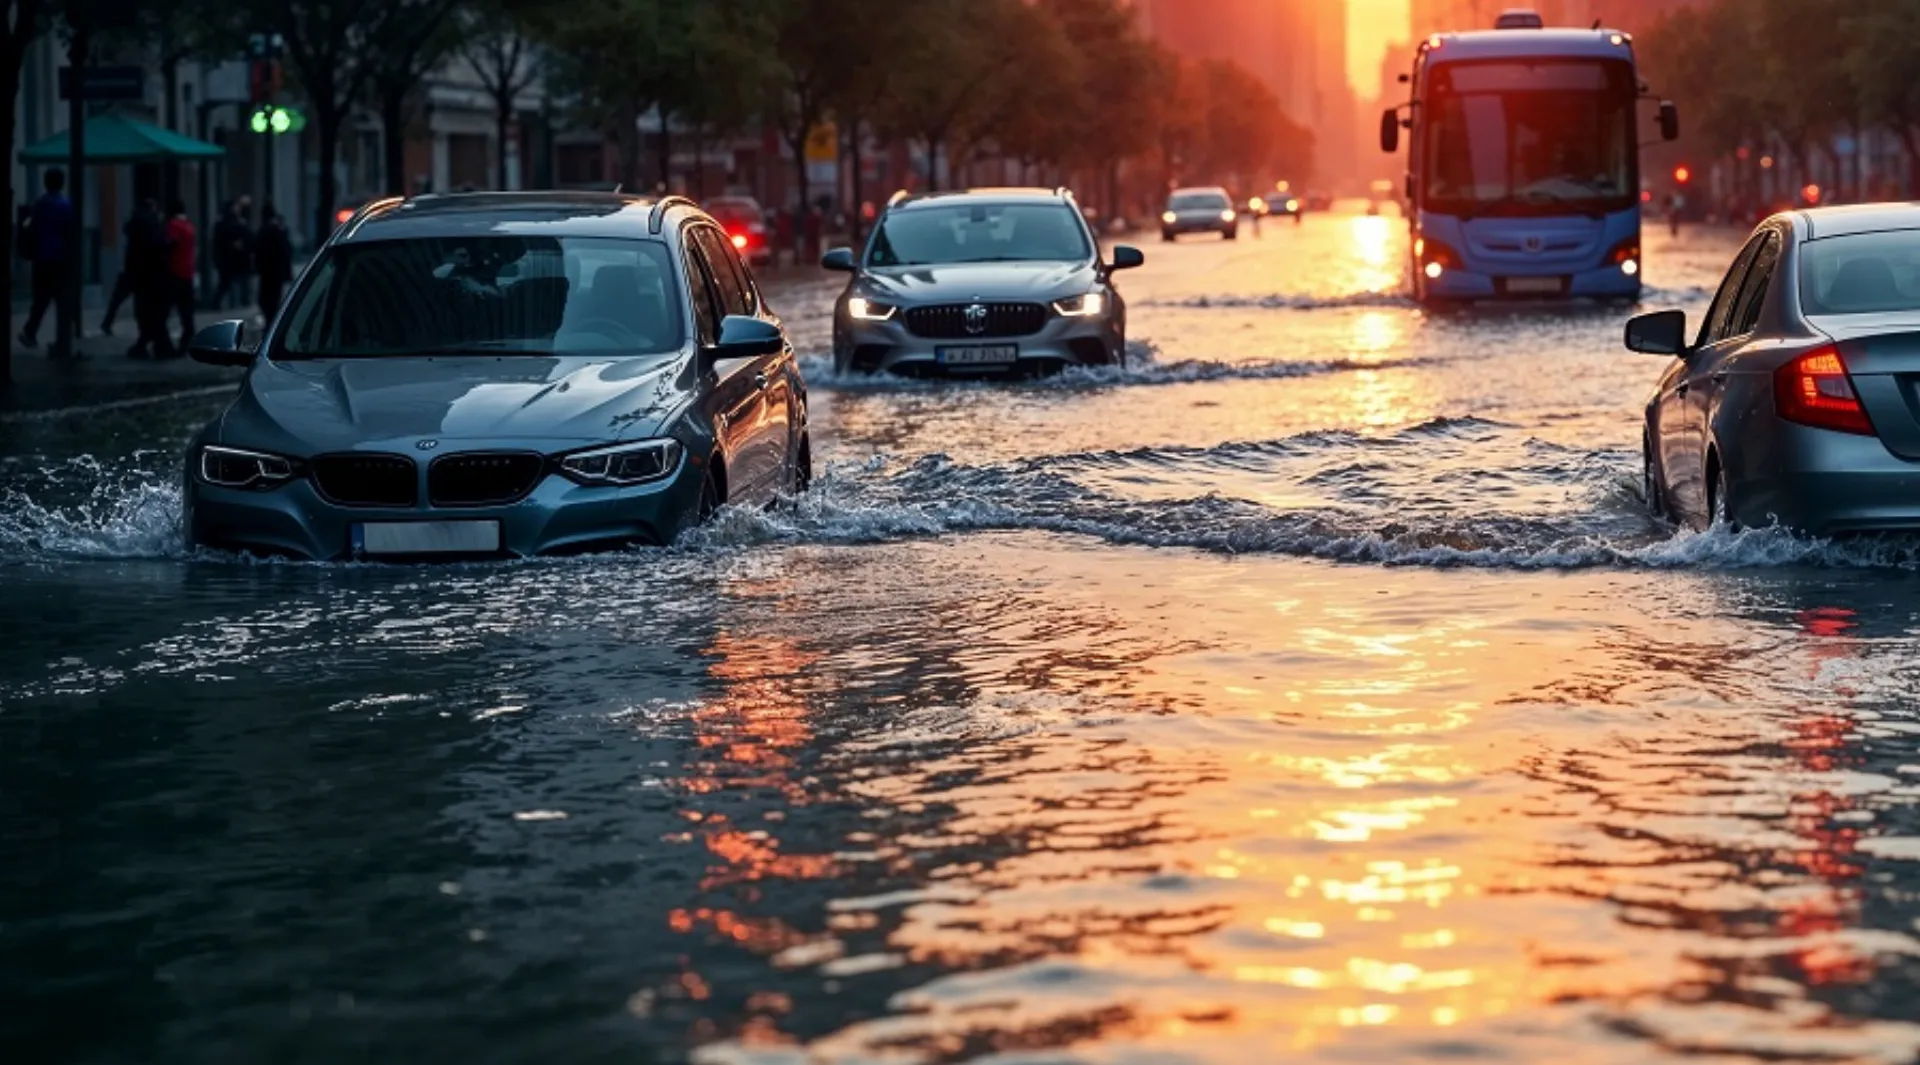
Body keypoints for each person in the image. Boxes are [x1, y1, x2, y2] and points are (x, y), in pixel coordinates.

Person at [18, 168, 75, 352]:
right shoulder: (65, 205)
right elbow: (70, 232)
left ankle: (30, 331)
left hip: (41, 259)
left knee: (41, 298)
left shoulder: (40, 204)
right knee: (62, 301)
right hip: (59, 259)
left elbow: (30, 226)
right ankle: (61, 342)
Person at [124, 198, 173, 359]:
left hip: (141, 275)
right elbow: (157, 248)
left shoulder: (136, 225)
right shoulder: (152, 225)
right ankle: (161, 346)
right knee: (156, 313)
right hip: (154, 275)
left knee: (146, 313)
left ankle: (148, 344)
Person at [211, 196, 255, 309]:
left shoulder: (237, 219)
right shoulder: (227, 222)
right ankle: (219, 303)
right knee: (227, 282)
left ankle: (242, 301)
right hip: (230, 257)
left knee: (235, 281)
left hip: (236, 257)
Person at [164, 199, 197, 352]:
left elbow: (171, 244)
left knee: (165, 309)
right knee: (186, 310)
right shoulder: (189, 226)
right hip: (187, 271)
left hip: (175, 271)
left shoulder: (174, 225)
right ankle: (188, 339)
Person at [254, 202, 293, 322]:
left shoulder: (263, 231)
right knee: (273, 300)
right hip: (275, 273)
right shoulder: (277, 231)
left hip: (268, 273)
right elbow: (285, 252)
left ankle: (270, 321)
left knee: (267, 300)